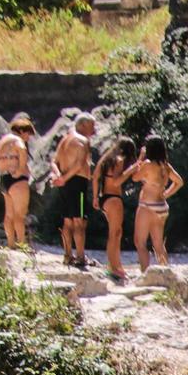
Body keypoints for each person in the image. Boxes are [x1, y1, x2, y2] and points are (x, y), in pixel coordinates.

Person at [125, 135, 183, 271]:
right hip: (162, 207)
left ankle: (145, 273)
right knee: (158, 244)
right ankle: (165, 271)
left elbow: (134, 177)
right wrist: (167, 193)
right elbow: (179, 182)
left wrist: (140, 157)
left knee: (140, 242)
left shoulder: (147, 164)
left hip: (147, 206)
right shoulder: (166, 166)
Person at [50, 113, 96, 270]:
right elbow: (79, 163)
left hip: (65, 184)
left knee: (67, 221)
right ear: (82, 125)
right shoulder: (83, 141)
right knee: (79, 221)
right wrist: (65, 178)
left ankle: (67, 255)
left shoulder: (64, 140)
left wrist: (59, 176)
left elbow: (54, 161)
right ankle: (81, 257)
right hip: (77, 182)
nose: (94, 130)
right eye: (92, 126)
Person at [90, 135, 137, 282]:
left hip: (105, 198)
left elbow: (95, 175)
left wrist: (96, 197)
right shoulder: (120, 161)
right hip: (114, 198)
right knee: (115, 234)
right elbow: (117, 182)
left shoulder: (106, 158)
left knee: (116, 233)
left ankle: (116, 266)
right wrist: (130, 171)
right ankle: (114, 267)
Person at [0, 114, 35, 250]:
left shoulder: (2, 142)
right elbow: (22, 150)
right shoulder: (18, 141)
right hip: (18, 180)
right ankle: (22, 244)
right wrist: (21, 169)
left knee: (9, 215)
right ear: (22, 131)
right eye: (28, 134)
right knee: (20, 215)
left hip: (4, 179)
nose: (28, 138)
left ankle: (11, 243)